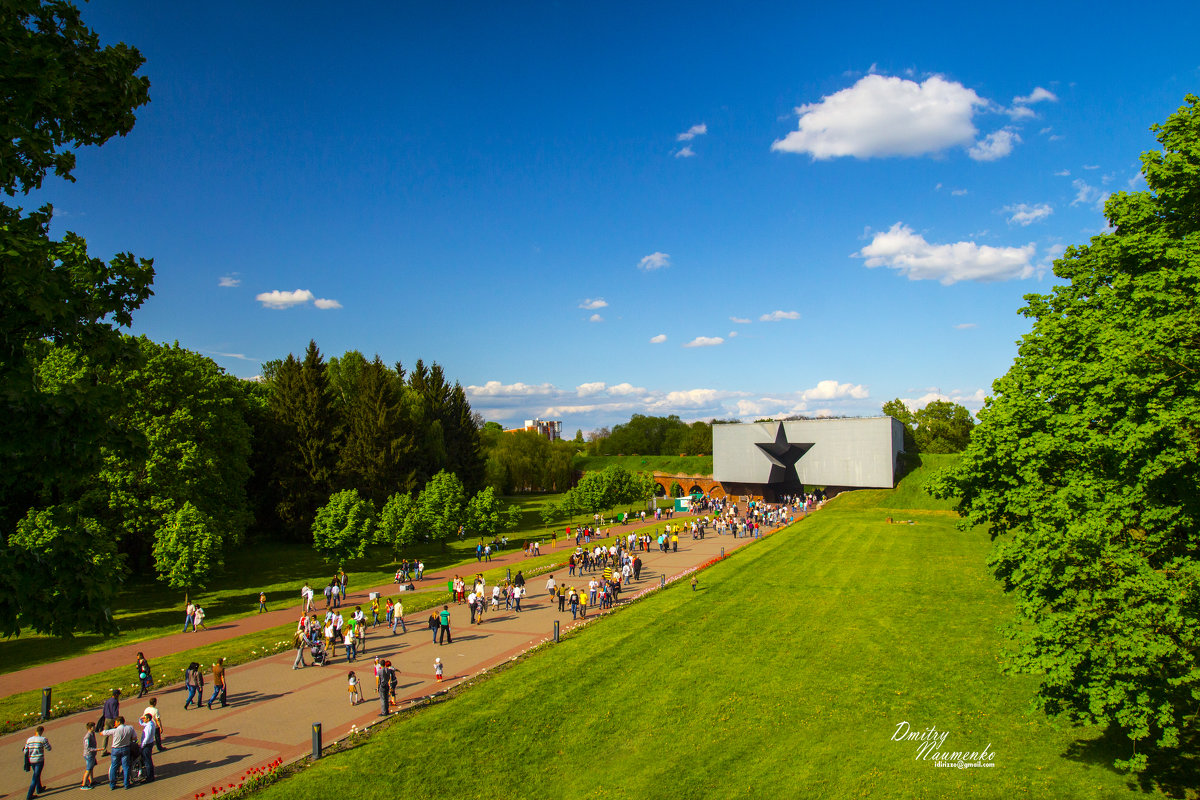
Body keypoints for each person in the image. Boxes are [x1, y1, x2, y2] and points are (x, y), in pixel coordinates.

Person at [99, 715, 136, 791]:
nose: (115, 723)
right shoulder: (130, 728)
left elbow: (103, 733)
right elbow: (134, 737)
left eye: (115, 722)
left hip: (116, 750)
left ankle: (112, 785)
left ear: (119, 722)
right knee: (126, 767)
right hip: (126, 748)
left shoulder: (115, 730)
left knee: (114, 766)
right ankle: (126, 784)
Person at [24, 724, 50, 799]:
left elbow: (25, 751)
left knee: (36, 774)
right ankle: (29, 795)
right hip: (39, 760)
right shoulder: (43, 739)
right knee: (35, 776)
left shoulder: (29, 740)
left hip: (31, 760)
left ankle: (39, 788)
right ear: (42, 731)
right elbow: (49, 748)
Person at [98, 689, 120, 755]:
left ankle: (103, 750)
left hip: (106, 718)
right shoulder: (115, 701)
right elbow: (115, 711)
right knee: (117, 733)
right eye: (118, 695)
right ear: (116, 695)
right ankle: (117, 748)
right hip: (112, 719)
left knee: (106, 734)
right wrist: (116, 720)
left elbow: (104, 710)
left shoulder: (108, 700)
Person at [138, 713, 156, 783]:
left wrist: (142, 745)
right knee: (147, 760)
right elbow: (142, 724)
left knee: (147, 761)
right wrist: (140, 718)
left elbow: (147, 737)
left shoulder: (149, 726)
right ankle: (150, 775)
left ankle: (150, 777)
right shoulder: (149, 723)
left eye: (145, 718)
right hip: (148, 744)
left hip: (147, 745)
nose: (144, 719)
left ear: (148, 719)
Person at [81, 721, 98, 789]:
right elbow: (87, 747)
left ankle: (92, 781)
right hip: (89, 755)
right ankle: (83, 784)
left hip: (92, 754)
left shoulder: (92, 733)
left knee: (91, 768)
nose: (95, 727)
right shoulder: (87, 736)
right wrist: (97, 749)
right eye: (94, 726)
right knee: (88, 769)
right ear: (90, 728)